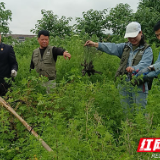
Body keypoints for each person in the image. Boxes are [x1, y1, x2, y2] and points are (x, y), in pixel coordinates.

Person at [84, 22, 153, 109]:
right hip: (123, 83)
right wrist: (95, 44)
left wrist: (134, 68)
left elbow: (145, 64)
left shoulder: (147, 50)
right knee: (126, 111)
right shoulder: (125, 47)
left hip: (139, 83)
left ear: (140, 33)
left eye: (134, 36)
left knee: (140, 112)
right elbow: (112, 47)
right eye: (130, 37)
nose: (132, 39)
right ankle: (128, 123)